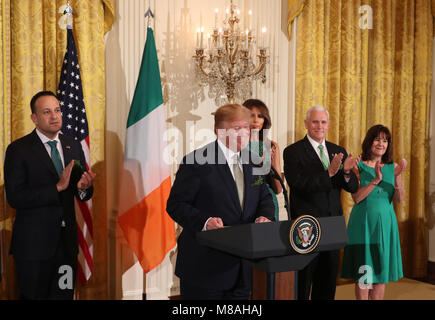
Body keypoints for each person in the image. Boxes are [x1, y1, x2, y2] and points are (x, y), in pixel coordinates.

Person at [166, 103, 276, 300]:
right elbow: (176, 205)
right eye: (237, 128)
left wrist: (265, 216)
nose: (244, 133)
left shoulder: (255, 161)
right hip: (205, 267)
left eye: (246, 127)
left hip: (244, 268)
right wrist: (205, 222)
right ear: (219, 130)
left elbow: (265, 198)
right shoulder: (197, 162)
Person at [4, 91, 96, 299]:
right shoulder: (18, 150)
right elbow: (15, 197)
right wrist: (56, 188)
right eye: (47, 112)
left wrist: (83, 187)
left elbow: (82, 193)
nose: (55, 116)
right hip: (33, 248)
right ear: (34, 118)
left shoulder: (72, 145)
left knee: (63, 296)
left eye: (57, 110)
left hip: (66, 246)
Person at [283, 105, 359, 300]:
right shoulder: (292, 151)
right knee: (304, 280)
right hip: (306, 226)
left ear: (328, 124)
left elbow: (351, 188)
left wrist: (348, 172)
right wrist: (330, 174)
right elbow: (298, 184)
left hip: (333, 225)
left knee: (327, 282)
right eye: (315, 121)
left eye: (323, 122)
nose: (319, 126)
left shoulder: (338, 150)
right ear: (306, 124)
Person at [341, 125, 405, 300]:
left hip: (385, 225)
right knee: (364, 272)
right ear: (369, 141)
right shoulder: (358, 166)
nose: (381, 144)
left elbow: (400, 199)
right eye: (377, 139)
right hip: (364, 224)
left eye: (385, 140)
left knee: (379, 274)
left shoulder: (394, 166)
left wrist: (398, 177)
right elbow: (357, 198)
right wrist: (377, 180)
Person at [243, 99, 282, 221]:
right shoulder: (237, 145)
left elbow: (278, 189)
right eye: (251, 115)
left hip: (268, 204)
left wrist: (272, 164)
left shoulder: (272, 146)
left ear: (265, 119)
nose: (255, 120)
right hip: (246, 202)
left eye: (260, 116)